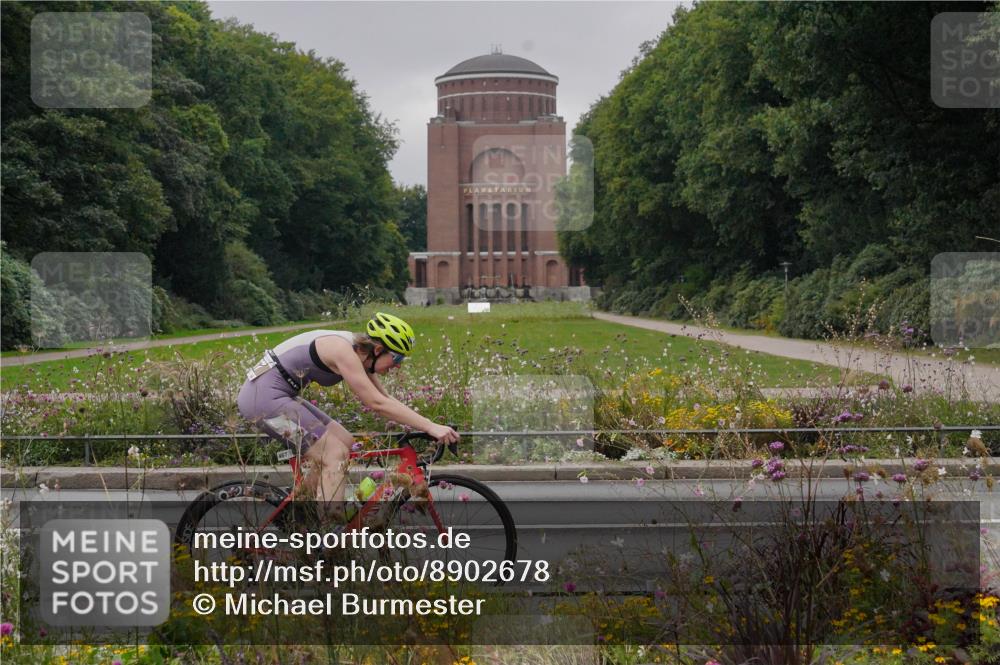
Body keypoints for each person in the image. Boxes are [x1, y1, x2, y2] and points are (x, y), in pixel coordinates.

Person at [236, 312, 459, 523]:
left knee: (345, 442)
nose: (399, 365)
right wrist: (431, 427)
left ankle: (304, 510)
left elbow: (385, 398)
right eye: (397, 357)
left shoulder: (364, 357)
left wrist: (431, 425)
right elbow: (376, 404)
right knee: (334, 453)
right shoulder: (344, 352)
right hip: (261, 400)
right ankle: (329, 534)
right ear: (379, 349)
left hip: (278, 395)